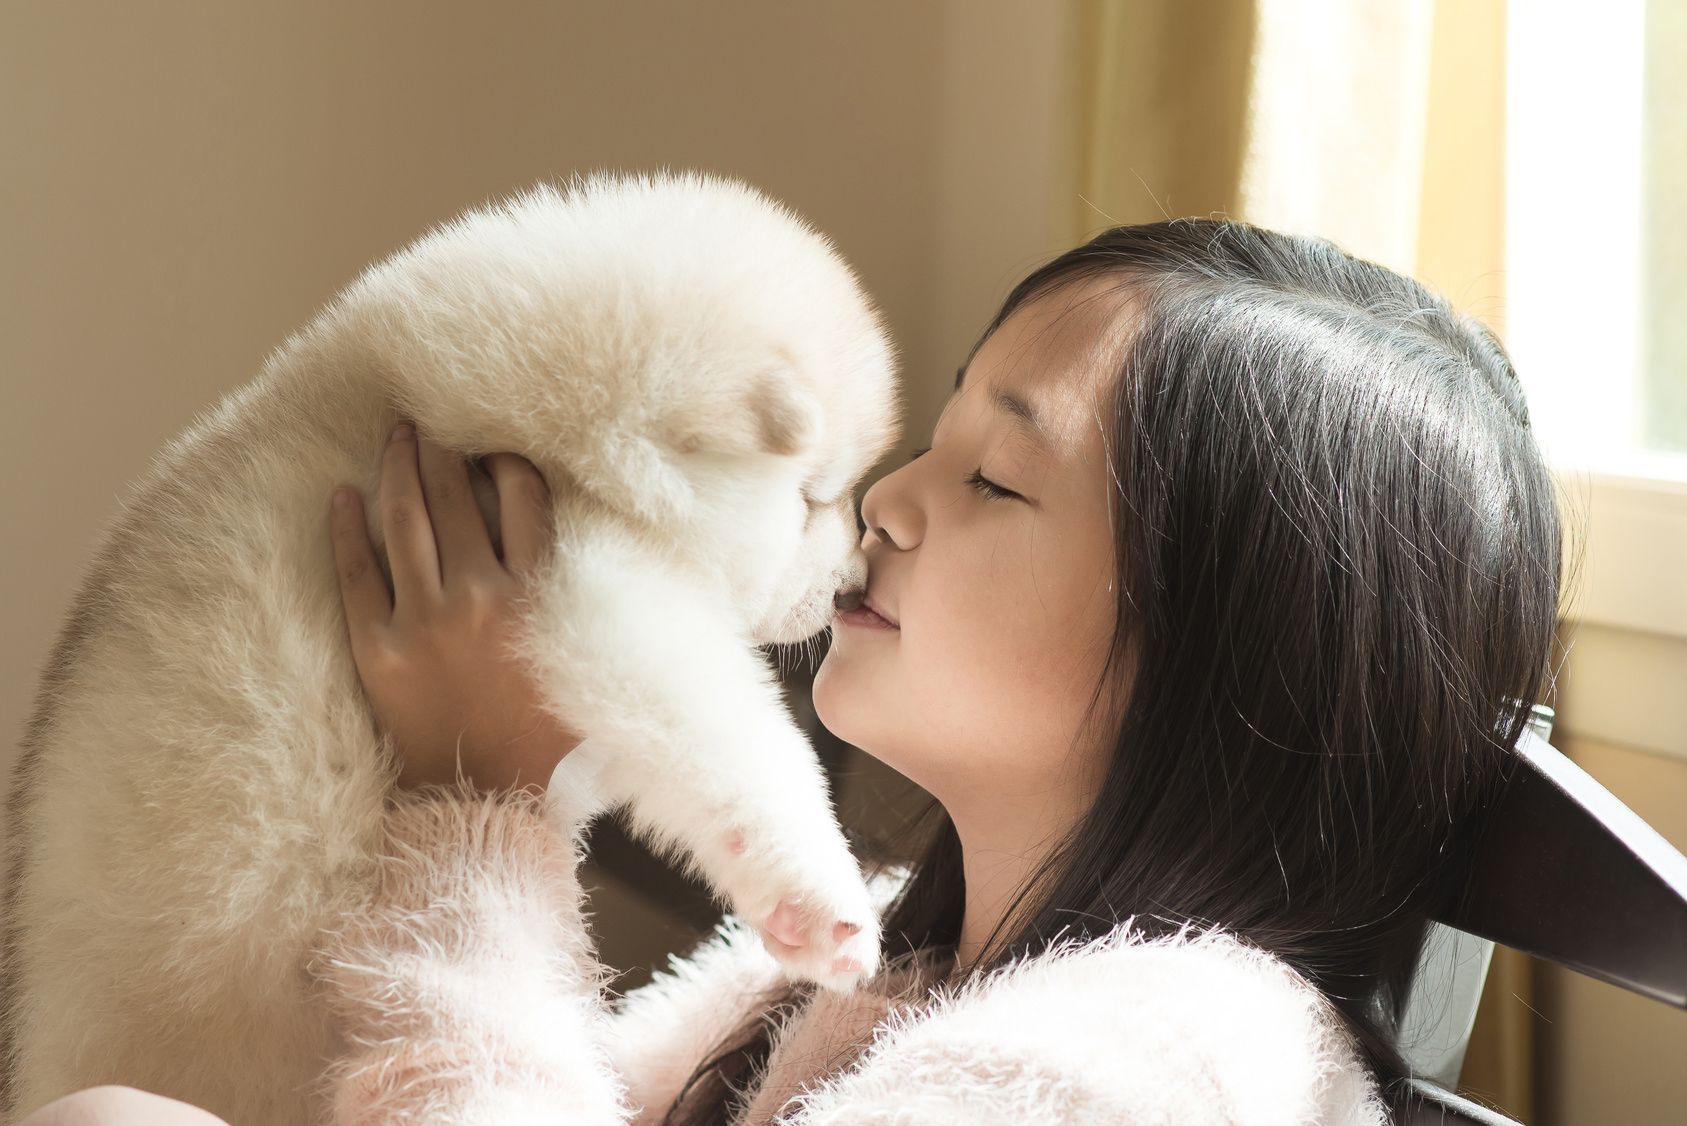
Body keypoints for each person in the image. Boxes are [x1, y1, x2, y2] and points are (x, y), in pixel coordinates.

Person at [24, 218, 1562, 1125]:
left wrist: (478, 804)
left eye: (994, 482)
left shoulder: (1157, 1063)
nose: (887, 496)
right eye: (941, 432)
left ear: (1229, 658)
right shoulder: (882, 964)